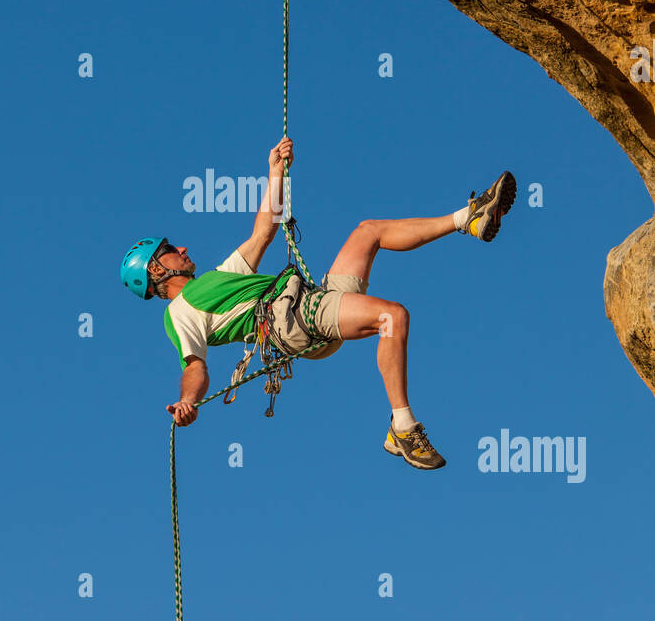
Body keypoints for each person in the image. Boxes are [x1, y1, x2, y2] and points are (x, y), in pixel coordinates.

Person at [120, 138, 516, 469]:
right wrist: (188, 401)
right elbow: (195, 366)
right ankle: (403, 428)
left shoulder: (217, 277)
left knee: (368, 231)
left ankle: (469, 217)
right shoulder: (179, 312)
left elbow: (263, 232)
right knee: (392, 316)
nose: (182, 248)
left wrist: (274, 171)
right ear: (156, 270)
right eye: (170, 250)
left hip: (310, 301)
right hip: (295, 319)